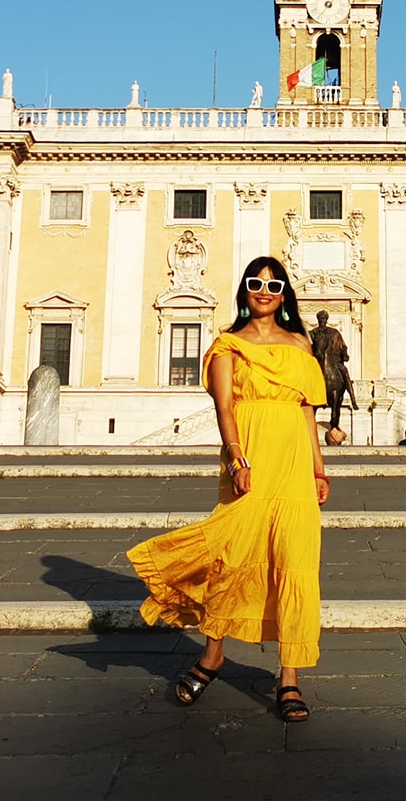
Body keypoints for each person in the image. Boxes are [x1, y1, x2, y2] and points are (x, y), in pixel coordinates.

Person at [128, 256, 328, 722]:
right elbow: (225, 410)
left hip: (295, 466)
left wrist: (320, 471)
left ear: (284, 294)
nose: (265, 290)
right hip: (251, 461)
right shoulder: (228, 345)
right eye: (256, 283)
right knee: (233, 556)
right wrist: (238, 458)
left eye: (274, 284)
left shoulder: (300, 343)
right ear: (244, 290)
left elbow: (306, 413)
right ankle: (212, 655)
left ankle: (290, 678)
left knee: (295, 565)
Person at [311, 311, 357, 430]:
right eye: (320, 318)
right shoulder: (313, 333)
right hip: (317, 362)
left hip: (334, 361)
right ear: (317, 319)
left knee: (344, 372)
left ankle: (353, 399)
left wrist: (345, 354)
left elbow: (343, 346)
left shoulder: (334, 333)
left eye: (324, 318)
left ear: (326, 319)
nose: (322, 320)